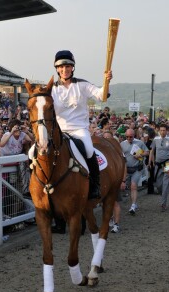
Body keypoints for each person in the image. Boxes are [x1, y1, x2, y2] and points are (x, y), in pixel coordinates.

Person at [51, 50, 112, 200]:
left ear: (72, 68)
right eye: (61, 67)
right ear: (57, 69)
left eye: (68, 66)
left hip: (79, 130)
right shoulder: (52, 89)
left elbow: (101, 95)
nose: (64, 70)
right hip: (59, 131)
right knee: (36, 151)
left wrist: (106, 81)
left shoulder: (82, 84)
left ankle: (94, 185)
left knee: (89, 150)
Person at [121, 128, 149, 214]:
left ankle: (133, 205)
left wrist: (140, 154)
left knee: (133, 186)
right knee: (130, 187)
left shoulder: (139, 143)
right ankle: (134, 203)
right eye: (127, 137)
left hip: (137, 168)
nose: (129, 138)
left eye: (131, 137)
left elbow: (147, 152)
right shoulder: (122, 144)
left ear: (134, 136)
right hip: (127, 169)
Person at [149, 124, 169, 211]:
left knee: (165, 183)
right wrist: (150, 161)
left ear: (167, 131)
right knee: (158, 184)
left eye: (164, 130)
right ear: (159, 131)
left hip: (167, 163)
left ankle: (163, 203)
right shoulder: (155, 140)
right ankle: (162, 194)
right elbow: (152, 151)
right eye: (161, 130)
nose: (162, 132)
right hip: (158, 164)